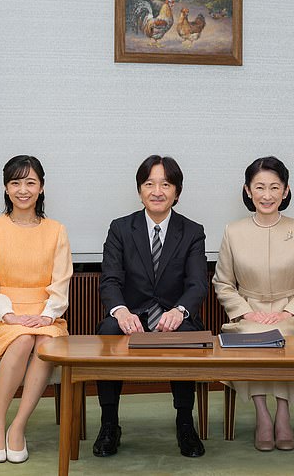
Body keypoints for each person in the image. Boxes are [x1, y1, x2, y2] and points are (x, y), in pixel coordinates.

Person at [93, 155, 209, 458]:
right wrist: (121, 311)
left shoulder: (192, 231)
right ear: (140, 190)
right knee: (107, 330)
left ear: (177, 192)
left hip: (173, 315)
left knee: (186, 334)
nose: (157, 191)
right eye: (150, 183)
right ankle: (109, 424)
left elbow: (197, 284)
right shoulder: (120, 228)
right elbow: (110, 280)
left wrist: (179, 311)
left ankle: (185, 422)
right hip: (133, 314)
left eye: (166, 184)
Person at [213, 156, 294, 452]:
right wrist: (247, 312)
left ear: (285, 191)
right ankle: (263, 414)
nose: (267, 195)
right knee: (252, 338)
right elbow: (223, 283)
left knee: (286, 336)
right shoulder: (232, 231)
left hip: (291, 313)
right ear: (248, 191)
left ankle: (284, 412)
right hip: (248, 312)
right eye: (259, 187)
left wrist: (289, 311)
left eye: (274, 187)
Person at [0, 155, 72, 463]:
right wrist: (10, 315)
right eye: (15, 182)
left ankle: (18, 426)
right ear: (5, 188)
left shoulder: (56, 230)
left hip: (46, 315)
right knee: (22, 338)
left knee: (43, 341)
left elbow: (61, 279)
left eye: (30, 182)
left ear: (42, 187)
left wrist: (47, 314)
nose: (23, 190)